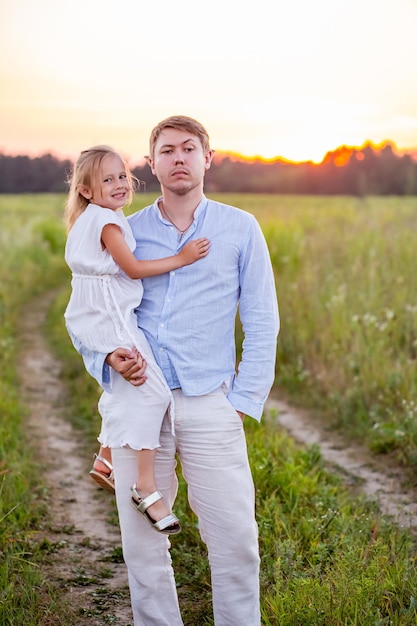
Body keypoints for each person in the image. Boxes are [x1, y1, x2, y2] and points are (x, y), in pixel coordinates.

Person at [70, 116, 279, 625]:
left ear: (208, 158)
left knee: (235, 541)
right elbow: (90, 309)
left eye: (189, 148)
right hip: (140, 402)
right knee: (142, 549)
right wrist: (103, 358)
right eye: (167, 150)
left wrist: (241, 404)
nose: (179, 157)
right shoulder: (124, 230)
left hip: (212, 403)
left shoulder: (239, 228)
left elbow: (262, 321)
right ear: (152, 163)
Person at [64, 144, 210, 534]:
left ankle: (106, 457)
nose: (118, 184)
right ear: (86, 191)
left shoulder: (90, 218)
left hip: (99, 314)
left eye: (122, 176)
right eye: (106, 180)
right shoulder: (108, 223)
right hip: (113, 317)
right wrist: (183, 257)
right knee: (154, 393)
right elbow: (132, 268)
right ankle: (145, 486)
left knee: (124, 389)